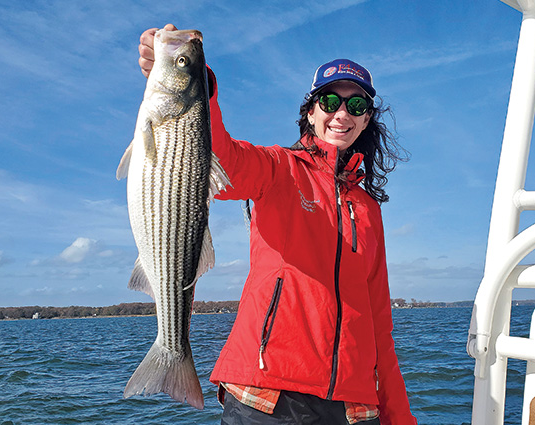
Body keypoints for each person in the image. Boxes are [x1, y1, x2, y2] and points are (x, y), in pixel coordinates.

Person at [139, 24, 417, 425]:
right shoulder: (277, 168)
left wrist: (399, 417)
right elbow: (220, 159)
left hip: (355, 408)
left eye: (356, 106)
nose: (342, 114)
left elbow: (379, 326)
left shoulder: (368, 209)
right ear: (310, 111)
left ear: (367, 119)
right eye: (330, 101)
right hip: (266, 398)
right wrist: (192, 77)